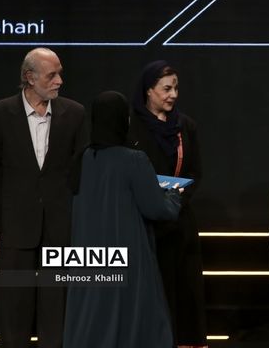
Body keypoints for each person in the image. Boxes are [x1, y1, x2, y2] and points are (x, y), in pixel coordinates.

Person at [63, 91, 181, 348]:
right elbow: (156, 208)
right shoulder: (133, 159)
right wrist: (174, 195)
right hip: (127, 257)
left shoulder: (81, 158)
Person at [0, 47, 87, 348]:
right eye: (51, 75)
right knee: (13, 315)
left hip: (60, 229)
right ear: (30, 78)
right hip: (14, 230)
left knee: (56, 316)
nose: (59, 81)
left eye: (60, 74)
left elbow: (81, 175)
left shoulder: (75, 114)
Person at [127, 60, 207, 348]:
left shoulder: (185, 126)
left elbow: (195, 172)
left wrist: (174, 199)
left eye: (175, 88)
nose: (173, 94)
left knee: (183, 291)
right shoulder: (131, 128)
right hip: (144, 225)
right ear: (149, 91)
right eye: (166, 88)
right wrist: (151, 201)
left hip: (178, 223)